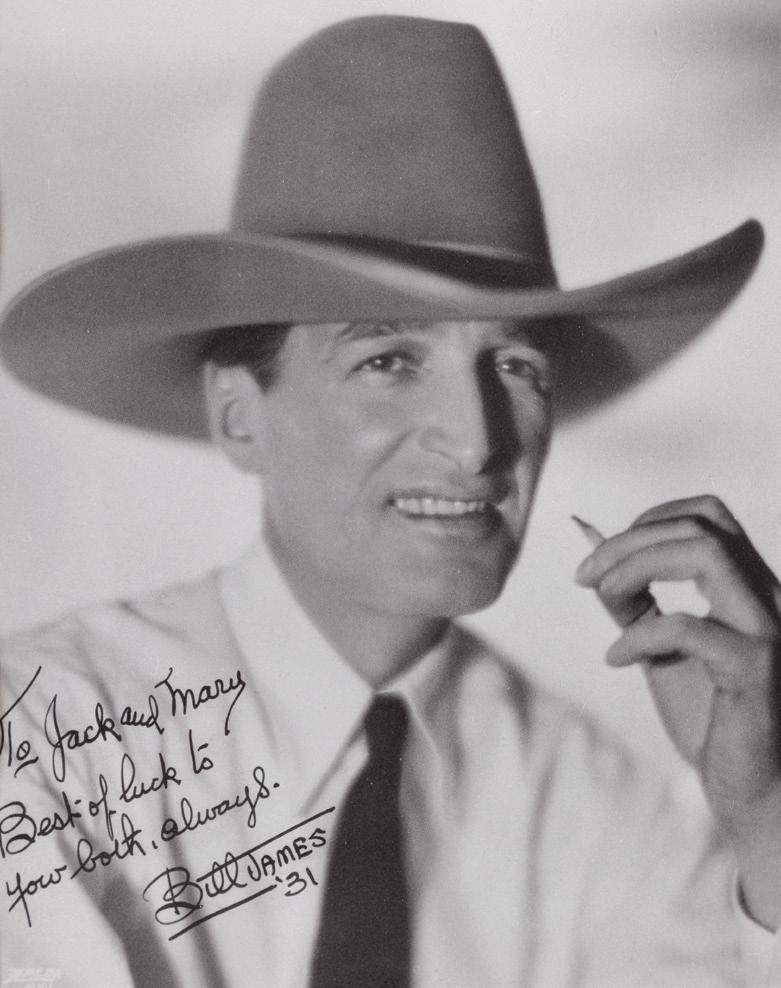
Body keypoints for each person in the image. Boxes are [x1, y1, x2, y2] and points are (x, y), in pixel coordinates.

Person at [0, 14, 779, 988]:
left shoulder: (596, 803)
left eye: (516, 366)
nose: (478, 441)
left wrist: (767, 819)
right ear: (239, 416)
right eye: (388, 360)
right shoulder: (43, 745)